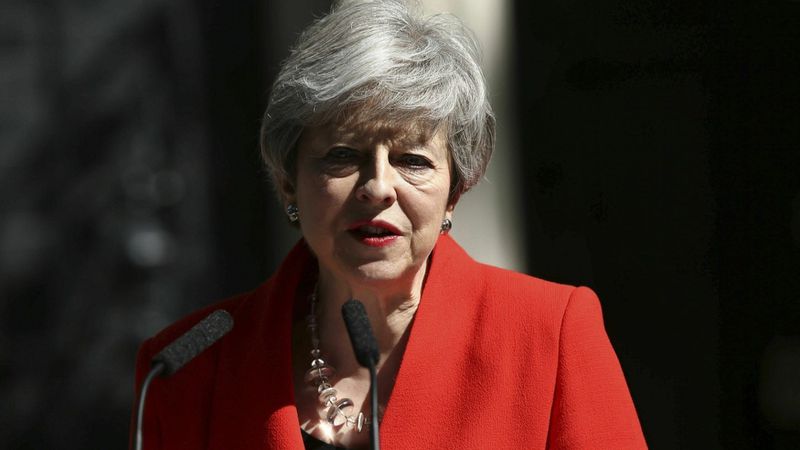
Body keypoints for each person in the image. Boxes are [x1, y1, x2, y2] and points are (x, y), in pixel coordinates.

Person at [132, 1, 647, 448]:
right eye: (342, 154)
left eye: (412, 160)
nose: (378, 187)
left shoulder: (549, 336)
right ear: (288, 181)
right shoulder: (187, 368)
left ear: (455, 190)